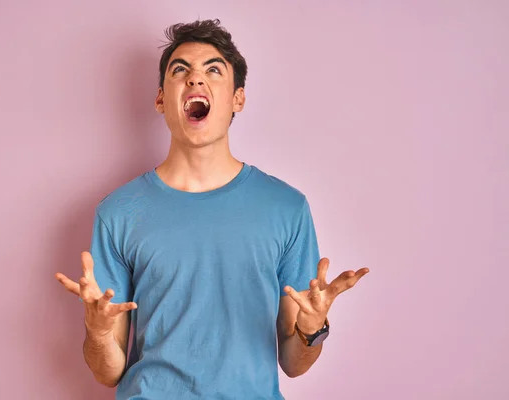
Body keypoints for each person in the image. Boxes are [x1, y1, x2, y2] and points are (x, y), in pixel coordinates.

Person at [55, 19, 369, 399]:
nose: (195, 80)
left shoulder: (287, 208)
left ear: (238, 98)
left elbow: (293, 362)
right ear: (160, 98)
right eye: (180, 70)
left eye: (213, 70)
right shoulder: (118, 213)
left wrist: (313, 327)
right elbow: (108, 372)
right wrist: (99, 332)